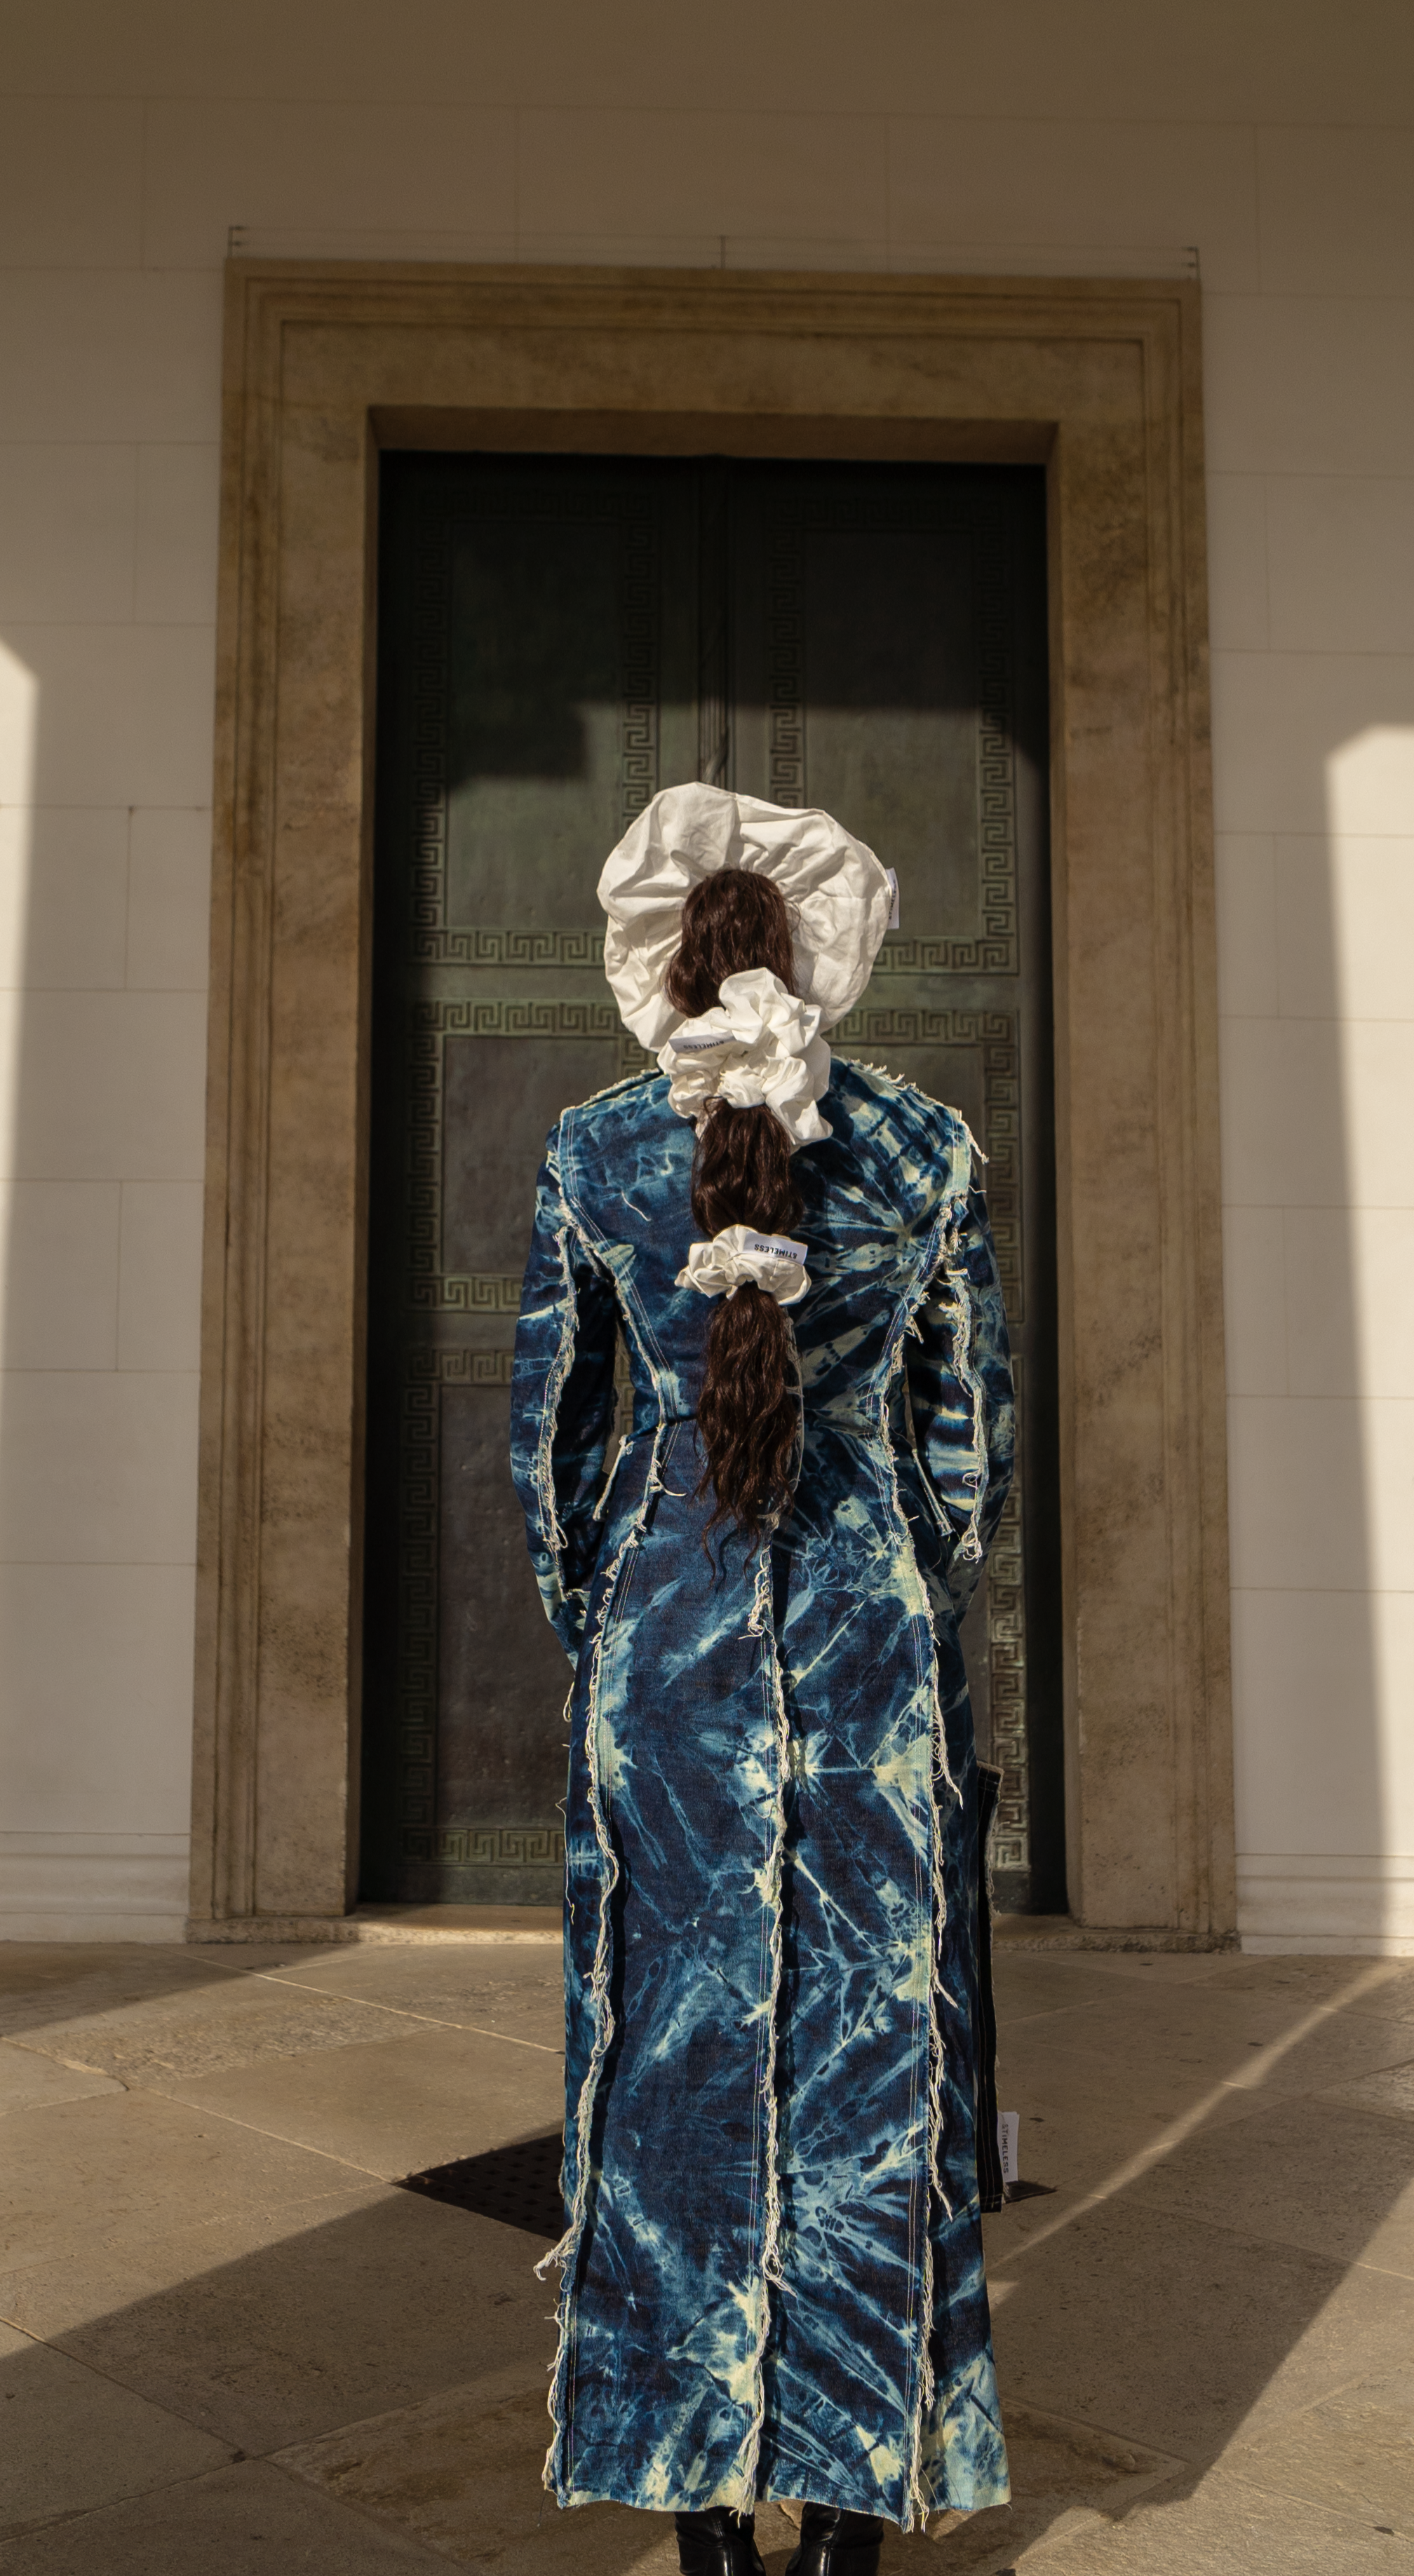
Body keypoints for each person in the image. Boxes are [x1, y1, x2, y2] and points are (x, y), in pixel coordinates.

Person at [510, 784, 1015, 2576]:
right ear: (824, 957)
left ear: (656, 966)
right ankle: (856, 2514)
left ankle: (701, 2519)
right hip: (868, 1653)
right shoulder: (930, 1148)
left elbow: (553, 1453)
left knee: (664, 2063)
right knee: (883, 2068)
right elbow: (969, 1448)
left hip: (668, 1656)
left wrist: (620, 1629)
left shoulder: (589, 1155)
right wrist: (895, 1583)